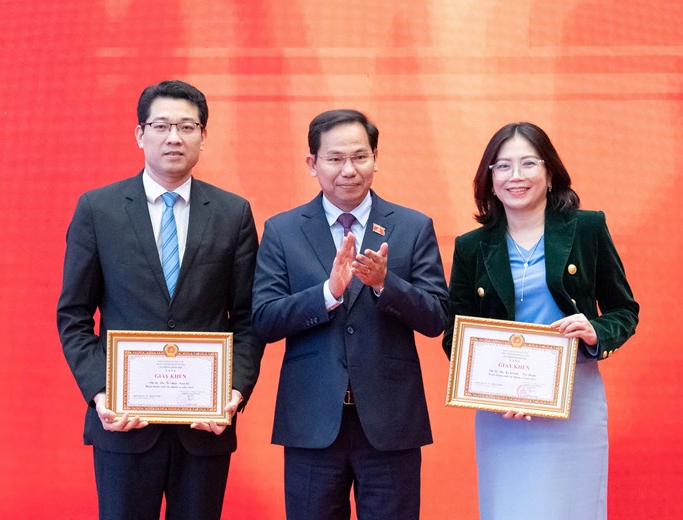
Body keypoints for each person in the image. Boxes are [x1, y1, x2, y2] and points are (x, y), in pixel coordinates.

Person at [57, 80, 264, 520]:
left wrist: (233, 391)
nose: (174, 137)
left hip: (204, 427)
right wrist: (100, 393)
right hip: (124, 425)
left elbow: (248, 318)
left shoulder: (233, 213)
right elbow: (74, 315)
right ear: (140, 133)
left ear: (203, 136)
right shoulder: (98, 210)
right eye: (162, 126)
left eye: (187, 127)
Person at [252, 109, 449, 520]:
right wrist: (328, 293)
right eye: (335, 158)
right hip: (312, 422)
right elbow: (265, 319)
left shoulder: (412, 226)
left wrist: (384, 284)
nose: (349, 170)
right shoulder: (282, 231)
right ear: (313, 163)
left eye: (360, 157)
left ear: (376, 158)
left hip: (390, 422)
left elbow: (436, 318)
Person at [443, 122, 639, 519]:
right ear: (490, 180)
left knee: (572, 507)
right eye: (503, 166)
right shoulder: (471, 247)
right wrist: (499, 390)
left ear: (550, 174)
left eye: (528, 163)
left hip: (575, 400)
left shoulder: (586, 229)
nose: (515, 176)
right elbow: (455, 335)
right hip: (503, 412)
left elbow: (624, 310)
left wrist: (595, 331)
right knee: (510, 508)